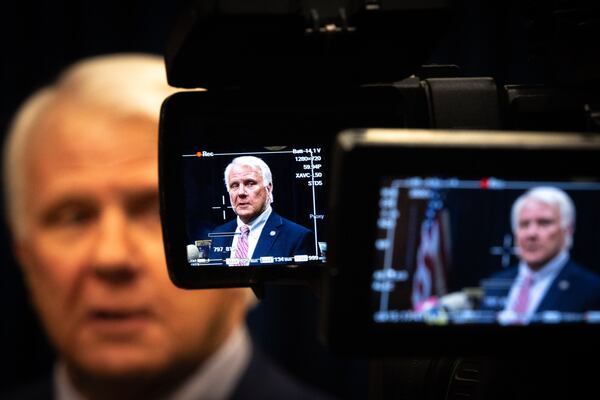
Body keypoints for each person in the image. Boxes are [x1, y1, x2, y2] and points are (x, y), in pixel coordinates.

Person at [2, 53, 330, 400]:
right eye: (75, 217)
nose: (111, 257)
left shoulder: (296, 239)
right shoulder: (220, 237)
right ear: (23, 253)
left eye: (154, 211)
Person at [481, 186, 600, 324]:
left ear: (567, 230)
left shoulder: (591, 290)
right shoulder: (495, 284)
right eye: (524, 224)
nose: (531, 234)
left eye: (544, 223)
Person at [208, 156, 315, 266]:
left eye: (250, 183)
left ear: (268, 189)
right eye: (234, 185)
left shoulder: (298, 237)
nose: (241, 193)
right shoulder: (218, 234)